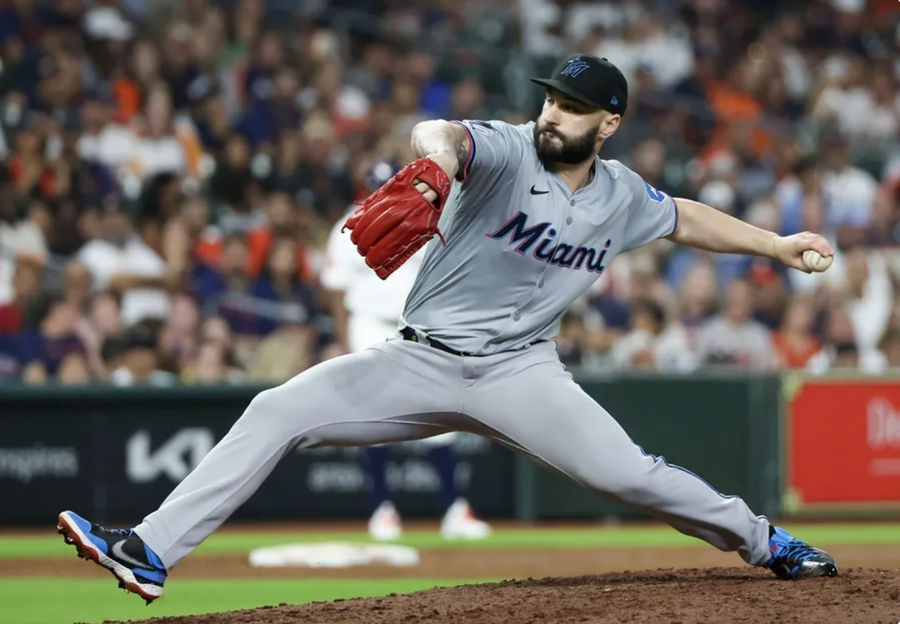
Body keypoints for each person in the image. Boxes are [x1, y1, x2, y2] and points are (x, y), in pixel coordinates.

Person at [58, 54, 838, 604]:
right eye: (550, 99)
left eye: (571, 106)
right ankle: (152, 549)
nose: (552, 113)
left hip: (521, 374)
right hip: (419, 361)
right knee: (275, 410)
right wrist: (433, 168)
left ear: (609, 122)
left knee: (629, 475)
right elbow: (440, 133)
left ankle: (767, 540)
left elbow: (685, 218)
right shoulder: (503, 151)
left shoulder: (622, 196)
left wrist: (773, 244)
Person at [321, 162, 490, 541]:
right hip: (370, 325)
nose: (381, 187)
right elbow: (335, 291)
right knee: (375, 416)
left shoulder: (428, 218)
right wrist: (346, 342)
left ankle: (454, 509)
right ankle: (382, 510)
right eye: (374, 183)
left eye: (387, 181)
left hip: (419, 328)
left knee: (441, 416)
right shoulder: (349, 225)